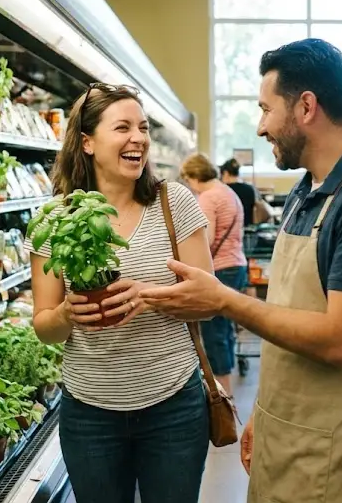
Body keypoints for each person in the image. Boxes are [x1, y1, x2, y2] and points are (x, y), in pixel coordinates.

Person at [135, 39, 342, 503]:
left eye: (267, 109)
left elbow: (338, 340)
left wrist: (224, 299)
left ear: (306, 107)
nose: (261, 126)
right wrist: (265, 416)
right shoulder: (307, 191)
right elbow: (287, 315)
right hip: (292, 431)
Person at [26, 83, 214, 503]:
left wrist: (149, 295)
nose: (139, 138)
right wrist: (65, 316)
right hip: (89, 413)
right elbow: (44, 327)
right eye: (123, 127)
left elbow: (209, 302)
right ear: (88, 142)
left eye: (143, 128)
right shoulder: (57, 220)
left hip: (174, 407)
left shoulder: (173, 202)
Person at [180, 153, 247, 396]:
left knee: (214, 334)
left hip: (219, 270)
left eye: (188, 179)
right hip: (237, 265)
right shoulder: (229, 192)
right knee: (225, 331)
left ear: (195, 176)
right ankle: (226, 382)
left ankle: (222, 393)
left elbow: (205, 240)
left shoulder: (208, 198)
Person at [219, 158, 267, 226]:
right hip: (248, 230)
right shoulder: (250, 189)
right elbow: (264, 211)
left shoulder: (222, 191)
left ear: (225, 173)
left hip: (229, 231)